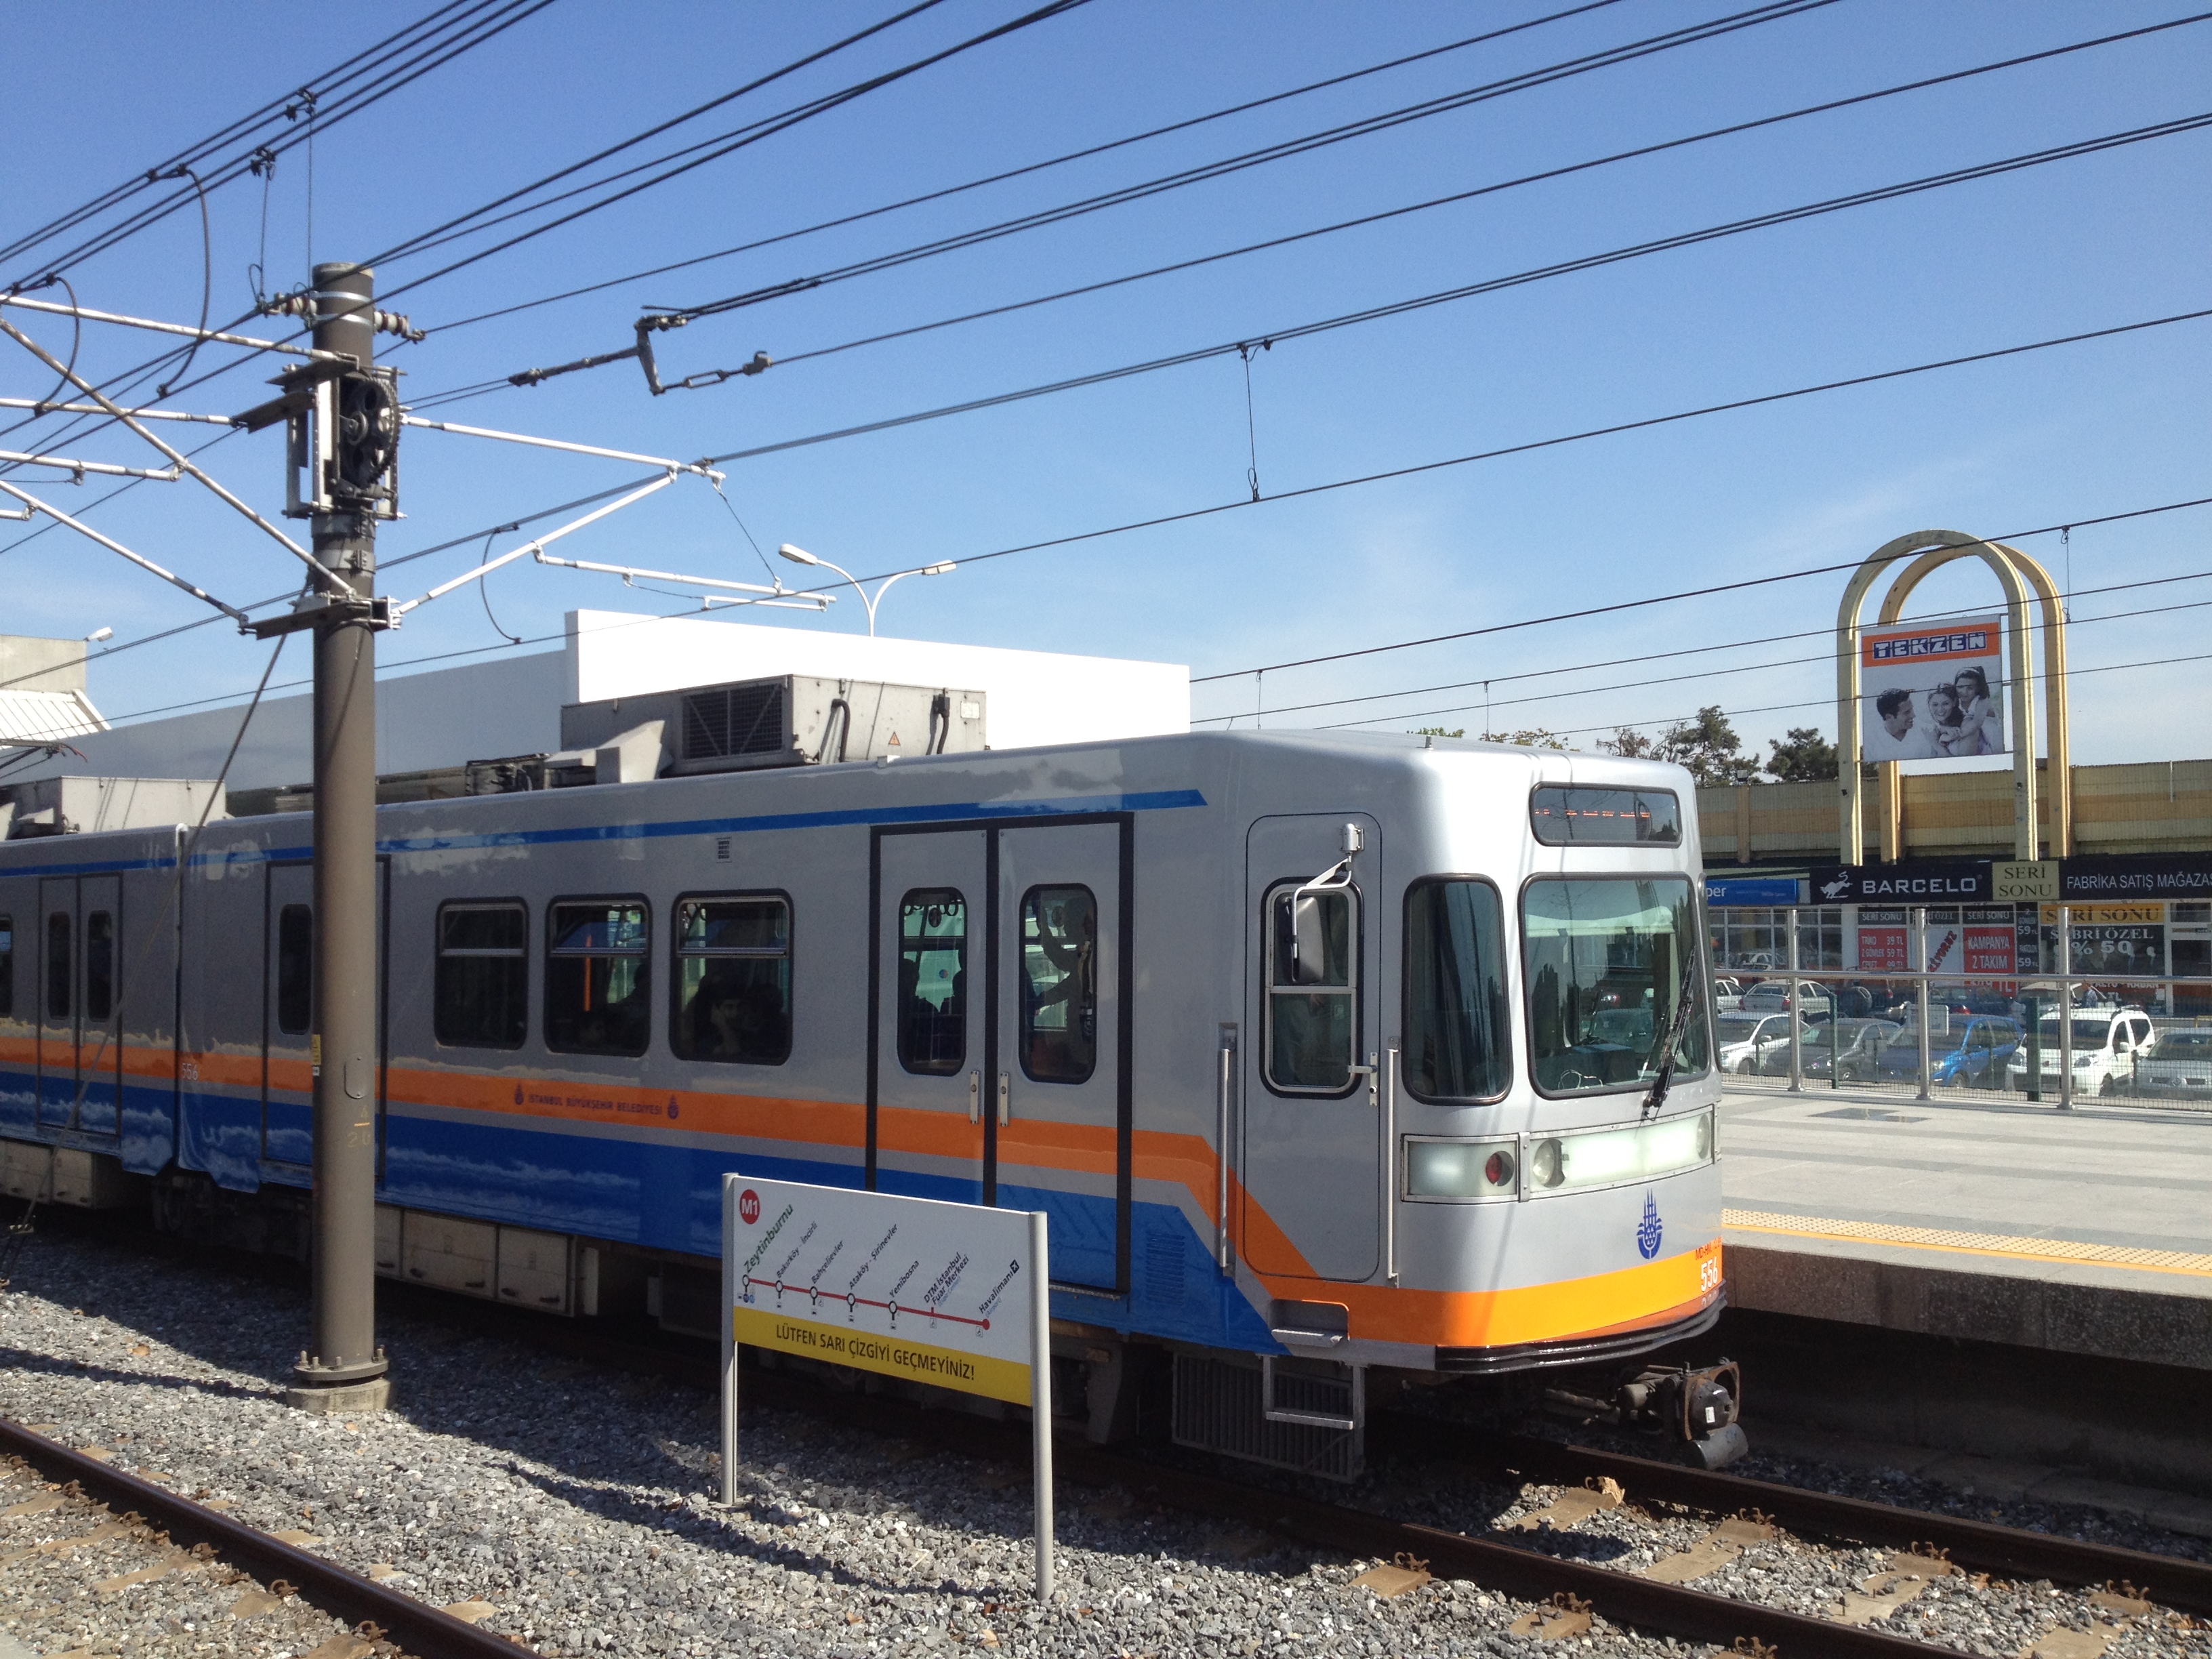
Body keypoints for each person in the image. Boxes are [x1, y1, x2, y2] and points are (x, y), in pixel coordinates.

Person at [1864, 687, 1935, 761]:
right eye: (1907, 712)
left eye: (1912, 710)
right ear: (1889, 717)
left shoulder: (1927, 733)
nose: (1913, 715)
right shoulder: (1871, 744)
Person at [1952, 667, 2001, 755]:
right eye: (1960, 687)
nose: (1964, 692)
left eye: (1970, 688)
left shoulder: (1982, 701)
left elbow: (1976, 723)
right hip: (1974, 745)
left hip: (1991, 745)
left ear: (1977, 689)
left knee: (1968, 721)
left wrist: (1950, 737)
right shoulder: (1956, 704)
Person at [1927, 684, 1971, 758]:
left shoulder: (1967, 723)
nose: (1940, 710)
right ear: (1929, 705)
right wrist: (1946, 729)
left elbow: (1962, 765)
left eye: (1945, 704)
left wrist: (1936, 745)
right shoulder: (1933, 727)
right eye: (1935, 705)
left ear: (1954, 702)